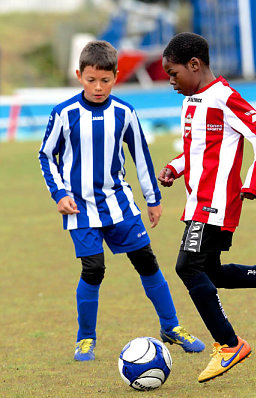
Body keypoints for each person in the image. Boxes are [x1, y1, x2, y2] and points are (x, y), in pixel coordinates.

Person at [158, 32, 256, 383]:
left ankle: (229, 344)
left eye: (173, 73)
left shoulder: (224, 97)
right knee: (211, 274)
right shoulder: (191, 101)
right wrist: (175, 167)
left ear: (195, 65)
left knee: (187, 267)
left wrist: (253, 182)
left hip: (214, 205)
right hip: (198, 202)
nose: (170, 81)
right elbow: (198, 151)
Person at [39, 40, 205, 361]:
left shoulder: (125, 112)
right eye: (91, 80)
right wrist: (59, 193)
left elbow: (140, 155)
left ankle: (171, 326)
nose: (98, 87)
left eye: (105, 80)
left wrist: (153, 199)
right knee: (94, 269)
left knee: (147, 262)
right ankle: (85, 338)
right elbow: (46, 155)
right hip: (80, 207)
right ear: (79, 76)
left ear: (116, 76)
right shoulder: (64, 113)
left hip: (120, 204)